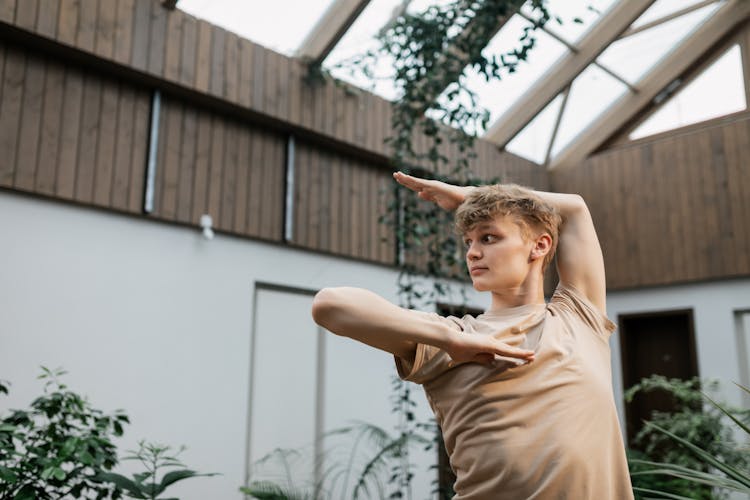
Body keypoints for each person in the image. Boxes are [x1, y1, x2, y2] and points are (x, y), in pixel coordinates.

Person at [311, 171, 633, 499]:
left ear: (539, 245)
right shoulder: (451, 338)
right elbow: (330, 305)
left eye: (488, 238)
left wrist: (470, 194)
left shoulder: (579, 316)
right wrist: (451, 341)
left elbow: (576, 209)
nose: (472, 253)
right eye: (469, 242)